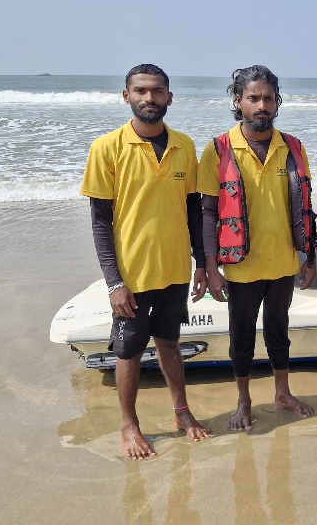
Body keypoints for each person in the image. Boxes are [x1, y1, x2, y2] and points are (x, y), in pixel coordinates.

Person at [80, 63, 211, 459]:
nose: (149, 98)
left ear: (169, 97)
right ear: (127, 96)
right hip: (132, 275)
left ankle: (182, 412)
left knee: (170, 342)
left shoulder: (184, 146)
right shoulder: (107, 148)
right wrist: (114, 282)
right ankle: (129, 425)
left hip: (174, 269)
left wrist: (202, 264)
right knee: (129, 350)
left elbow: (193, 210)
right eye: (140, 91)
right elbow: (100, 222)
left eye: (157, 91)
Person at [199, 65, 317, 432]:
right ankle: (244, 399)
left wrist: (309, 256)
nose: (261, 105)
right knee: (242, 335)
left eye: (268, 98)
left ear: (277, 102)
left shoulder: (292, 147)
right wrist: (210, 268)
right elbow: (207, 211)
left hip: (283, 261)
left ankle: (282, 393)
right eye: (253, 98)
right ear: (238, 101)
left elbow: (305, 206)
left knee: (278, 331)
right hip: (241, 265)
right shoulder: (219, 149)